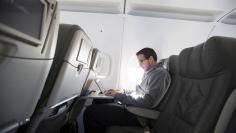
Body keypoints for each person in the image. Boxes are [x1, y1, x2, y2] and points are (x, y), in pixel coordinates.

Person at [83, 48, 171, 133]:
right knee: (98, 100)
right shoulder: (149, 73)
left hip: (139, 115)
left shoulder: (160, 74)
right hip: (134, 107)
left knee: (90, 112)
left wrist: (117, 96)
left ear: (151, 59)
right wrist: (123, 91)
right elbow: (139, 93)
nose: (139, 65)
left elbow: (148, 101)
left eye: (141, 61)